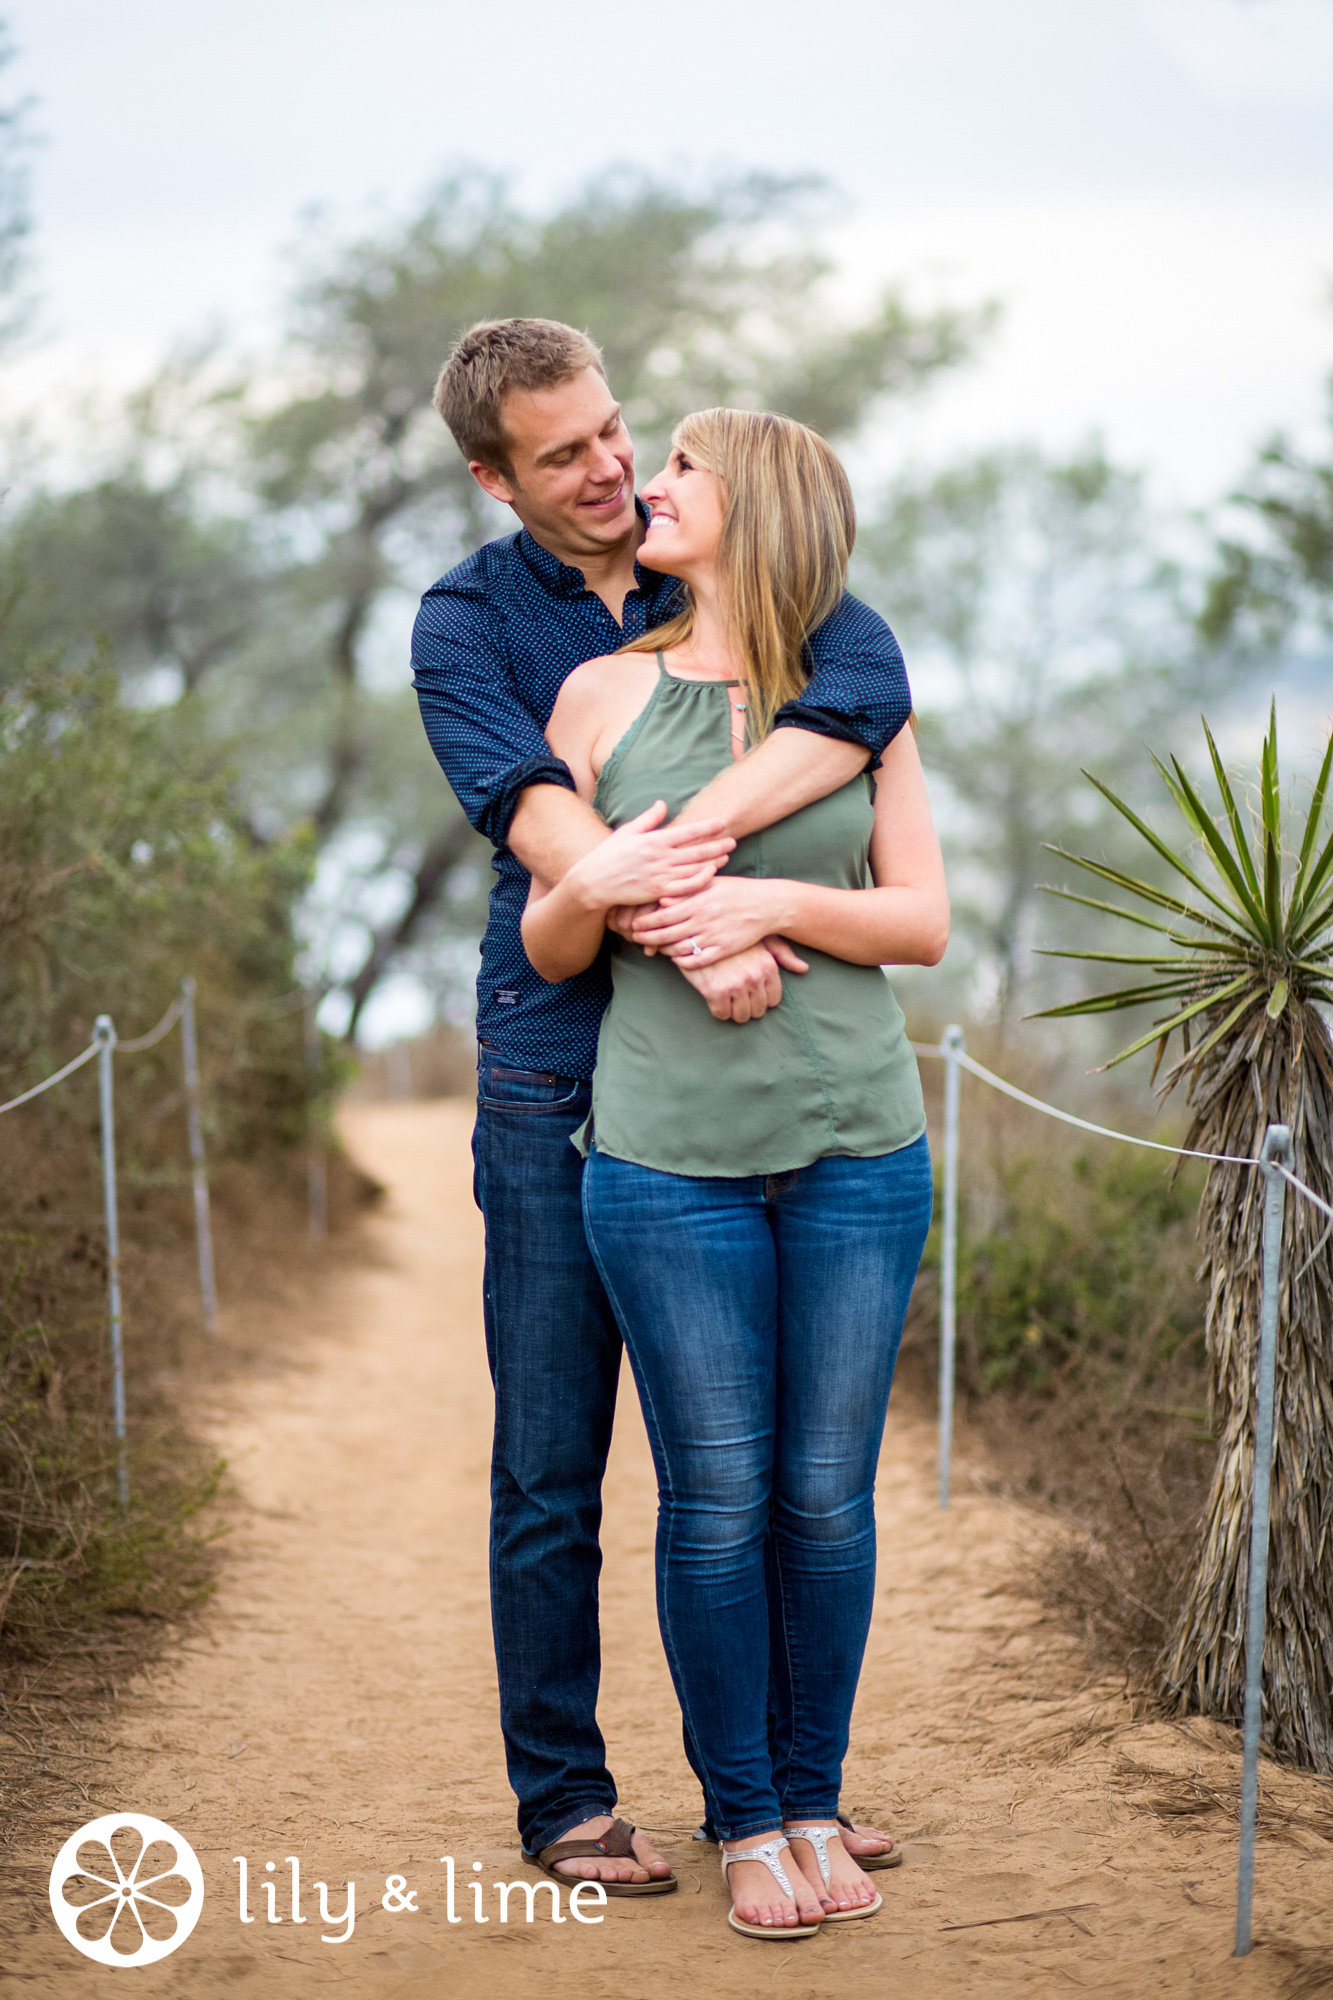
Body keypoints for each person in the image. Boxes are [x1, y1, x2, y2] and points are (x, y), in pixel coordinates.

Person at [412, 318, 916, 1891]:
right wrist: (689, 928)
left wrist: (718, 898)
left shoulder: (782, 603)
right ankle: (565, 1796)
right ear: (496, 479)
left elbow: (870, 699)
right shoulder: (472, 627)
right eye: (564, 456)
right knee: (558, 1462)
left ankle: (778, 1793)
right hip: (557, 1069)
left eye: (618, 433)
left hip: (767, 1075)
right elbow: (550, 829)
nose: (613, 470)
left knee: (782, 1481)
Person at [521, 407, 946, 1940]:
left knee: (824, 1500)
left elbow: (918, 926)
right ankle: (749, 1820)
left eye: (683, 469)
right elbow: (549, 939)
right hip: (663, 1163)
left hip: (859, 1149)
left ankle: (817, 1799)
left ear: (753, 508)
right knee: (715, 1501)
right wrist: (604, 889)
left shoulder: (858, 708)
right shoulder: (596, 694)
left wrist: (759, 900)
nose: (650, 484)